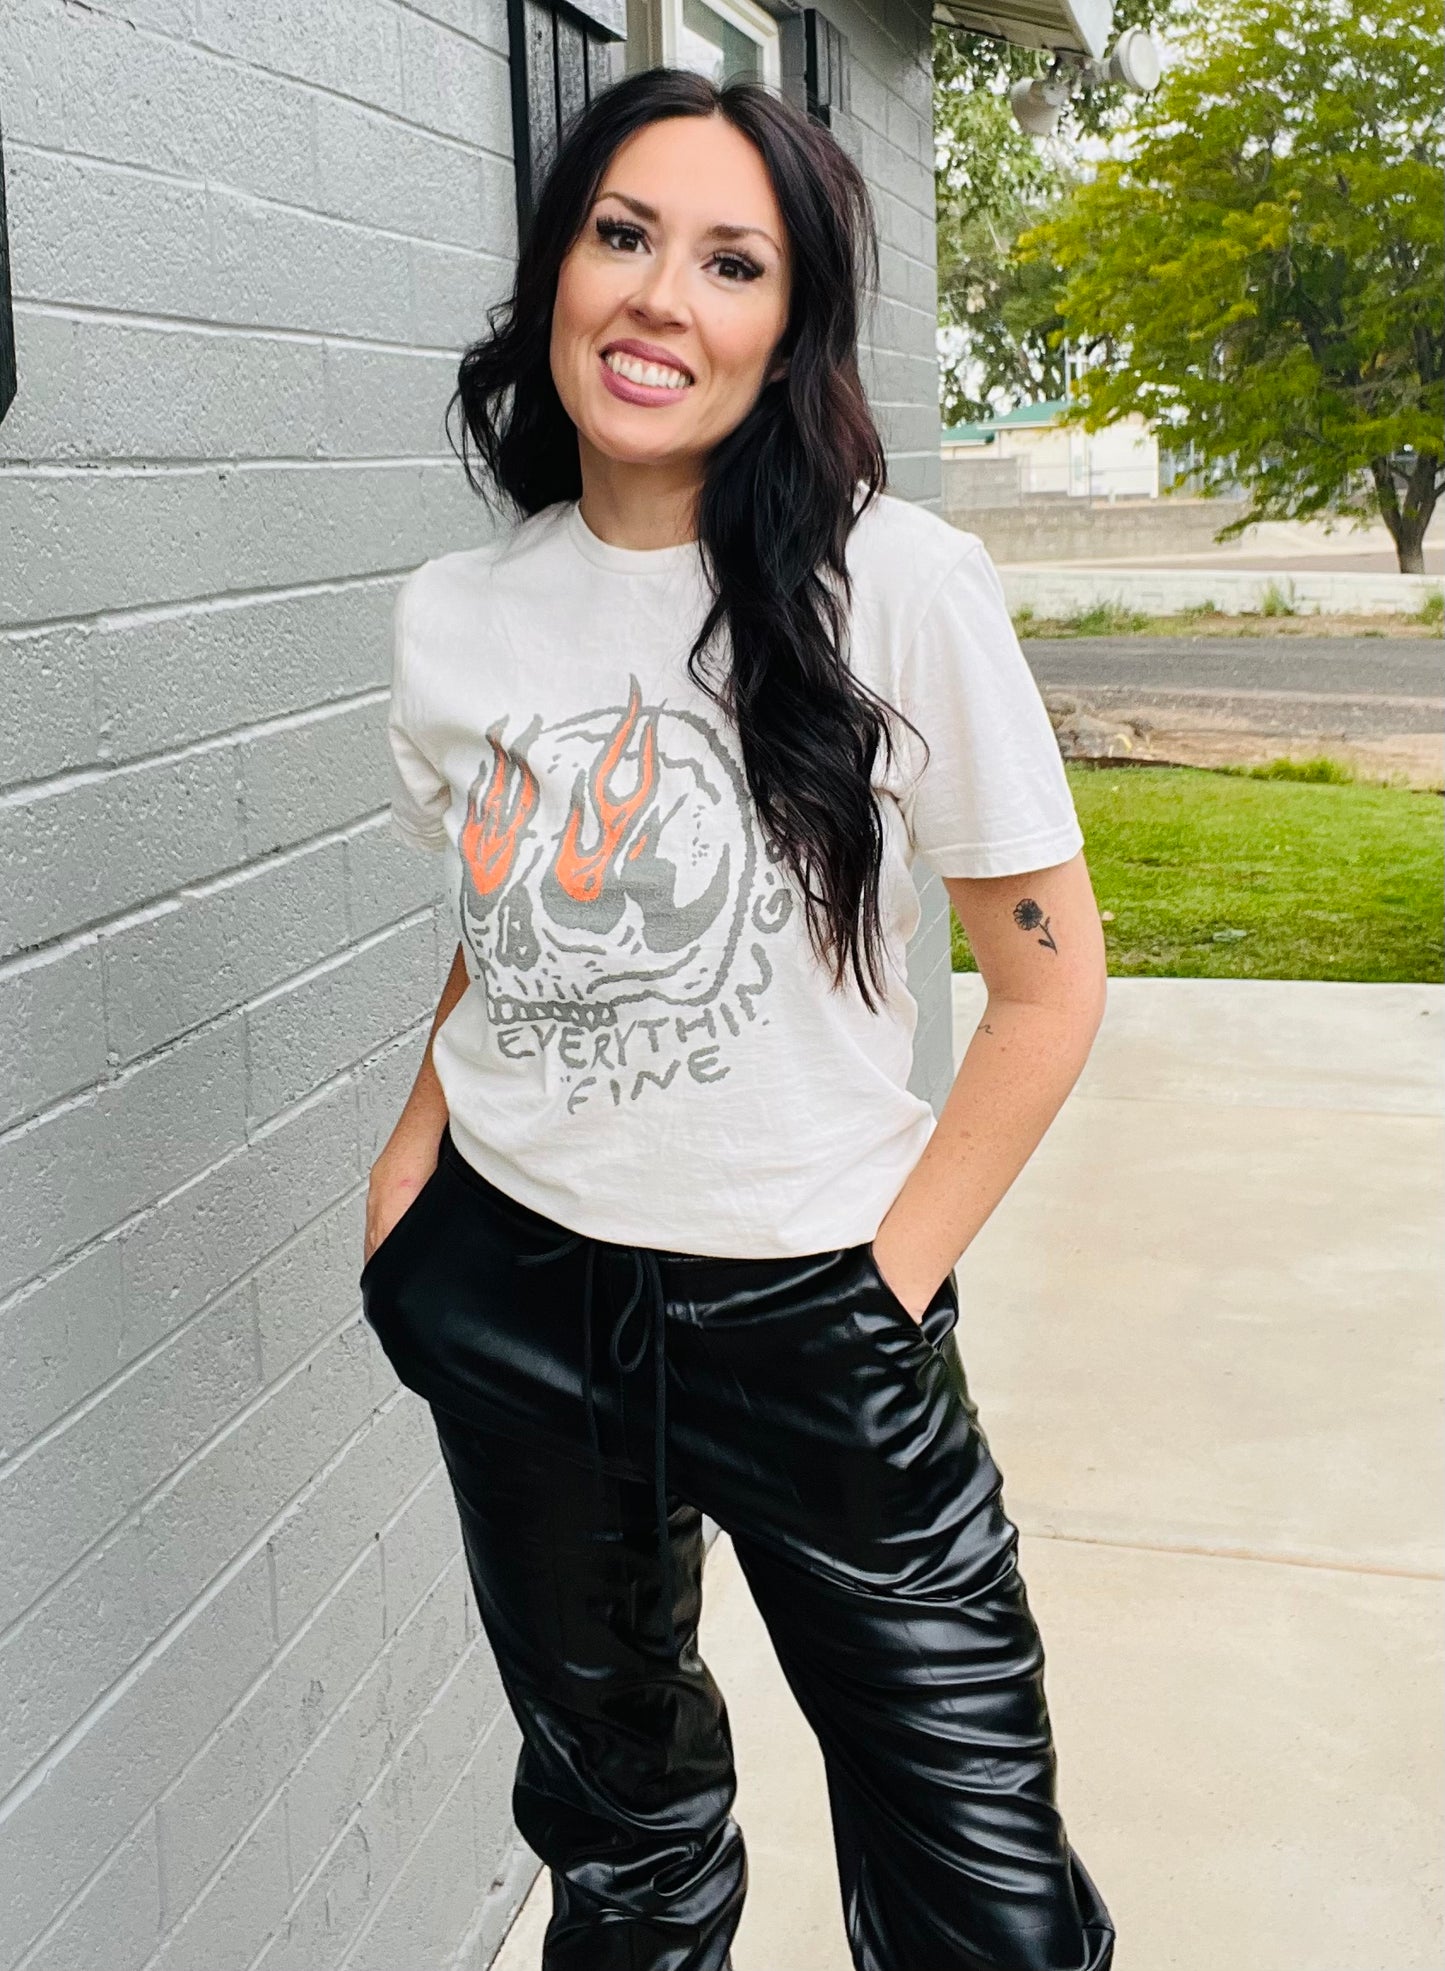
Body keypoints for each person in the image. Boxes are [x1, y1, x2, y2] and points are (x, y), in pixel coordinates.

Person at [359, 64, 1115, 1971]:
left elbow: (1046, 985)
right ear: (557, 266)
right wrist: (408, 1185)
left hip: (812, 1310)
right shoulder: (458, 611)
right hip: (515, 1287)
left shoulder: (895, 585)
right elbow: (502, 922)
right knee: (625, 1856)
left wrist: (887, 1286)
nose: (659, 299)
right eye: (623, 236)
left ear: (790, 328)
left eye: (730, 261)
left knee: (987, 1905)